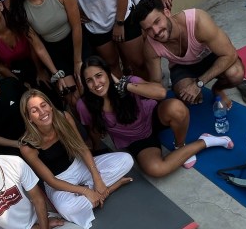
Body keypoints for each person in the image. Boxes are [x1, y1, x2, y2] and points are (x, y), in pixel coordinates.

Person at [78, 56, 234, 177]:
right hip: (136, 139)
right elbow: (93, 129)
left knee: (177, 108)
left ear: (108, 74)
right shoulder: (84, 105)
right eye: (89, 80)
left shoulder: (128, 82)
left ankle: (180, 146)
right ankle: (205, 141)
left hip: (152, 117)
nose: (96, 83)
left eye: (99, 76)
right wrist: (96, 151)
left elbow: (161, 93)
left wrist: (125, 86)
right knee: (156, 169)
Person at [20, 90, 132, 229]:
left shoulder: (64, 117)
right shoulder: (27, 146)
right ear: (29, 118)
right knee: (67, 209)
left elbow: (82, 148)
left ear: (50, 106)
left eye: (44, 105)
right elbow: (51, 181)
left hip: (79, 165)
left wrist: (97, 178)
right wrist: (85, 191)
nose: (42, 112)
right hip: (59, 181)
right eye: (34, 110)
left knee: (126, 160)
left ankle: (96, 192)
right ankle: (108, 189)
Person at [134, 0, 246, 105]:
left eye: (157, 22)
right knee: (186, 97)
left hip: (210, 55)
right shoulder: (150, 47)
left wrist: (198, 84)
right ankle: (188, 86)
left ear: (166, 13)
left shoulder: (198, 21)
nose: (156, 31)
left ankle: (217, 89)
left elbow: (230, 54)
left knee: (236, 74)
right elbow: (156, 84)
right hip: (182, 66)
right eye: (148, 29)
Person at [7, 0, 83, 99]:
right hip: (53, 52)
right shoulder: (21, 10)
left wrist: (77, 61)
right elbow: (39, 47)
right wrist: (56, 74)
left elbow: (76, 26)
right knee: (73, 97)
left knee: (86, 85)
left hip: (77, 43)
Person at [0, 0, 59, 91]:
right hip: (16, 73)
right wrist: (20, 84)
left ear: (0, 6)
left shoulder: (18, 20)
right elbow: (0, 67)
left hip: (39, 61)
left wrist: (40, 71)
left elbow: (36, 46)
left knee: (49, 87)